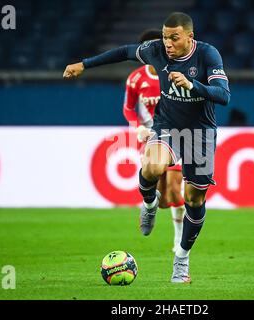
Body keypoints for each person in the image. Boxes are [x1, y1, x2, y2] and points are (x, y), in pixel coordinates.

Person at [64, 12, 230, 283]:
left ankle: (181, 260)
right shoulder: (156, 51)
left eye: (174, 38)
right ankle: (149, 203)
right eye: (165, 37)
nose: (167, 43)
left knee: (194, 200)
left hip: (200, 134)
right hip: (167, 127)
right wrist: (84, 64)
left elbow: (223, 95)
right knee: (152, 166)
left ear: (190, 36)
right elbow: (125, 52)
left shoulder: (208, 55)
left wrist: (193, 85)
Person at [123, 29, 186, 253]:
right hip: (151, 137)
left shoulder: (173, 72)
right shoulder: (136, 78)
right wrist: (137, 127)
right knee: (162, 200)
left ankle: (179, 240)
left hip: (176, 136)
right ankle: (150, 205)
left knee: (174, 189)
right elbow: (129, 108)